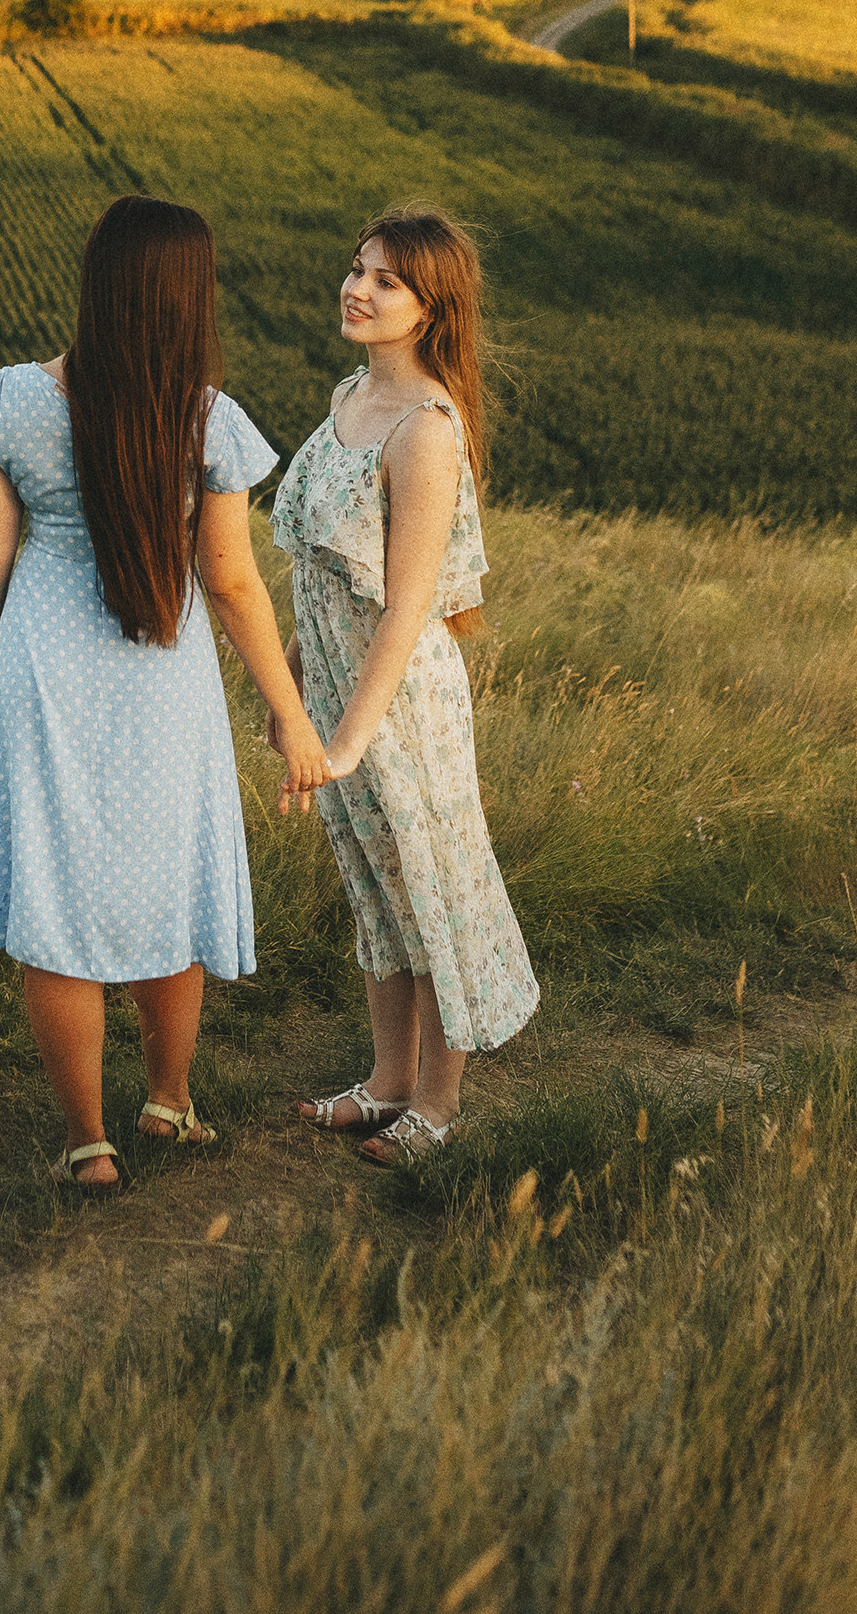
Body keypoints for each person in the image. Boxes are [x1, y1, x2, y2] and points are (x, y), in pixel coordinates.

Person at [0, 192, 330, 1195]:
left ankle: (87, 1144)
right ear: (188, 299)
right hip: (165, 679)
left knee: (54, 898)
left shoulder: (3, 402)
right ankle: (168, 1103)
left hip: (43, 671)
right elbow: (233, 581)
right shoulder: (210, 421)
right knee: (168, 880)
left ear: (97, 282)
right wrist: (289, 714)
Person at [273, 206, 538, 1165]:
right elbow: (315, 568)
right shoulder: (349, 397)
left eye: (387, 281)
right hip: (336, 691)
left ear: (431, 309)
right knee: (375, 890)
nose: (359, 289)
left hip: (401, 704)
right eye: (358, 270)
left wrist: (347, 736)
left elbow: (405, 607)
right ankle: (386, 1082)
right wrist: (293, 692)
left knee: (432, 890)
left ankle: (438, 1102)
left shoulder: (427, 430)